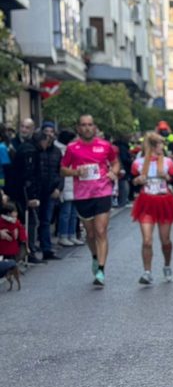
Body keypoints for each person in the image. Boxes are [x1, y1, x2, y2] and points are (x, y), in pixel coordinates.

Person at [60, 115, 121, 286]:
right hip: (82, 195)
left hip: (102, 191)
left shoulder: (105, 145)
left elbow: (115, 162)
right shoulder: (72, 148)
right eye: (83, 125)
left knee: (101, 231)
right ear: (78, 128)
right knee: (91, 234)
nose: (87, 128)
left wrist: (113, 172)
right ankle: (95, 256)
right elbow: (63, 169)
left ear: (94, 127)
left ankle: (101, 270)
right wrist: (75, 172)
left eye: (90, 125)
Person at [130, 132, 173, 284]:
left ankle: (167, 266)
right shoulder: (138, 163)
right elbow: (133, 181)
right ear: (151, 146)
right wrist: (137, 180)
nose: (162, 147)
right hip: (146, 202)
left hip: (163, 201)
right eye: (159, 144)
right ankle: (147, 272)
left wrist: (166, 177)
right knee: (147, 240)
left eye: (162, 144)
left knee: (165, 240)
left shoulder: (167, 162)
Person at [30, 124, 64, 261]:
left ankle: (46, 249)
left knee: (46, 221)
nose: (49, 134)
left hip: (51, 191)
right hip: (37, 191)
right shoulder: (36, 150)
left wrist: (58, 188)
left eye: (51, 132)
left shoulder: (57, 152)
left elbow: (61, 172)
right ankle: (32, 249)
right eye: (46, 132)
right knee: (34, 221)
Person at [55, 129, 82, 247]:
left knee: (74, 213)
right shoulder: (61, 151)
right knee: (66, 212)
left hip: (75, 183)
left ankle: (72, 234)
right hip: (66, 184)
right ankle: (63, 235)